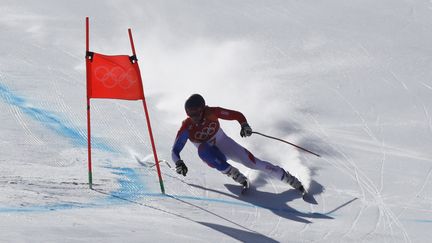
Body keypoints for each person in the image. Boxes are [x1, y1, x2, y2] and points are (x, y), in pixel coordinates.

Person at [171, 94, 305, 194]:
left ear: (202, 109)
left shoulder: (212, 112)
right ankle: (234, 174)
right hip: (212, 155)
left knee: (253, 163)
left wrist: (244, 125)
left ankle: (287, 177)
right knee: (203, 149)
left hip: (225, 143)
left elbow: (237, 115)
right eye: (189, 113)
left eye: (195, 113)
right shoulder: (187, 127)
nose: (192, 117)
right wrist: (179, 163)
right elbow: (175, 151)